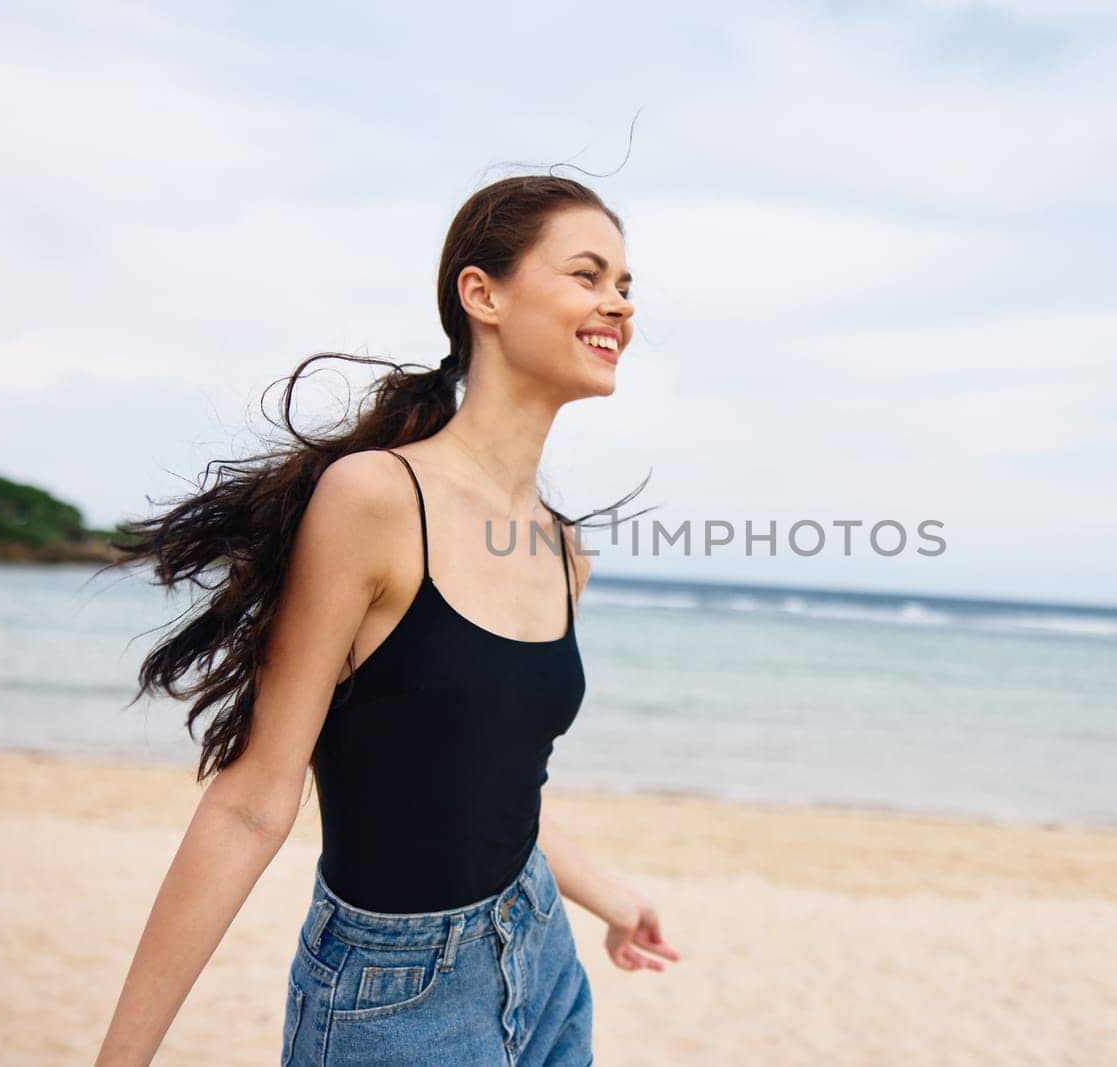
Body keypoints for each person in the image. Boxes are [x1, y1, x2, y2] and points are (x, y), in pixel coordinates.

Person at [93, 175, 681, 1066]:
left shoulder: (565, 552)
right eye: (589, 275)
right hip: (396, 1002)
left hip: (546, 966)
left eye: (627, 287)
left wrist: (611, 893)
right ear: (481, 294)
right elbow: (256, 800)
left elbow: (479, 783)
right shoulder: (373, 499)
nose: (618, 305)